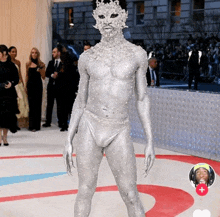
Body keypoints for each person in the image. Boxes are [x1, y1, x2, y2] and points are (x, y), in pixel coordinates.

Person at [64, 0, 155, 216]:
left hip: (119, 128)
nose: (107, 22)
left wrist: (150, 139)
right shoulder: (87, 57)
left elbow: (142, 98)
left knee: (130, 194)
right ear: (95, 19)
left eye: (113, 16)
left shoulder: (137, 55)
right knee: (85, 190)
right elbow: (81, 99)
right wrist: (68, 138)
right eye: (102, 17)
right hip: (90, 125)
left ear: (123, 17)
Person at [0, 45, 19, 146]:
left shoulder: (11, 65)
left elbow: (17, 79)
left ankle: (5, 137)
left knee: (6, 117)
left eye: (4, 54)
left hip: (8, 94)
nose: (3, 56)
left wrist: (11, 83)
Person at [8, 46, 29, 128]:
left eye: (15, 51)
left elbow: (19, 74)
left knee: (20, 103)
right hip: (11, 85)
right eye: (13, 51)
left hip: (18, 84)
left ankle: (18, 123)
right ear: (9, 52)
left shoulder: (18, 62)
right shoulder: (6, 62)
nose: (14, 53)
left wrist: (23, 85)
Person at [26, 48, 46, 132]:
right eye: (32, 53)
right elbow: (27, 75)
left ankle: (37, 126)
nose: (34, 54)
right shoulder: (28, 64)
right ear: (30, 54)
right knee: (31, 105)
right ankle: (31, 125)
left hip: (38, 86)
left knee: (37, 105)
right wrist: (25, 86)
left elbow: (44, 77)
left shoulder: (41, 64)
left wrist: (40, 69)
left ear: (38, 54)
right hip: (30, 85)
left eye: (35, 53)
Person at [42, 47, 62, 128]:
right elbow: (47, 73)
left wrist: (58, 76)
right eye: (52, 52)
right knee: (49, 104)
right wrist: (52, 75)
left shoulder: (63, 63)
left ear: (59, 53)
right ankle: (48, 122)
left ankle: (60, 122)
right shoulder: (50, 62)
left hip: (59, 87)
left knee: (59, 105)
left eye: (54, 52)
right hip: (51, 87)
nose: (52, 53)